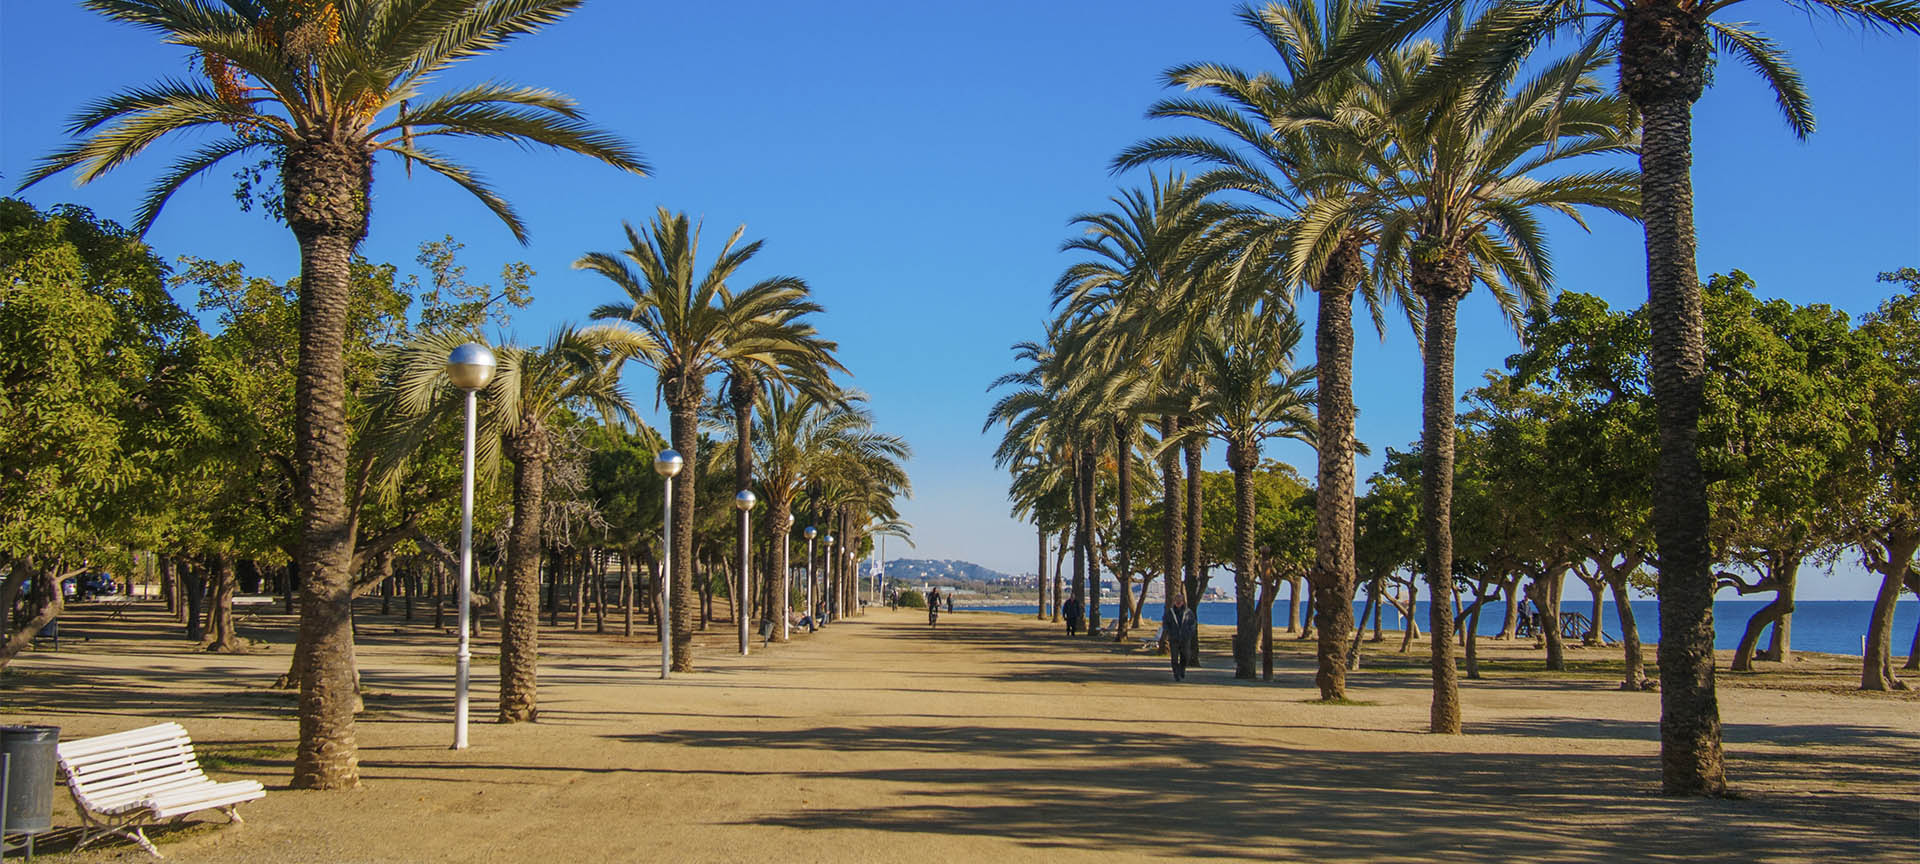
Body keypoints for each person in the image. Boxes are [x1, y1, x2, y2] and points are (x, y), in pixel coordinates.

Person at [1162, 591, 1197, 681]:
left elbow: (1193, 623)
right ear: (1174, 602)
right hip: (1174, 638)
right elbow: (1165, 623)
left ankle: (1182, 669)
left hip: (1185, 638)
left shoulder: (1188, 612)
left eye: (1180, 601)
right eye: (1176, 601)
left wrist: (1189, 633)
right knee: (1174, 658)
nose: (1178, 603)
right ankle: (1176, 674)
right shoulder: (1170, 612)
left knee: (1185, 656)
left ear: (1183, 602)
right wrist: (1169, 633)